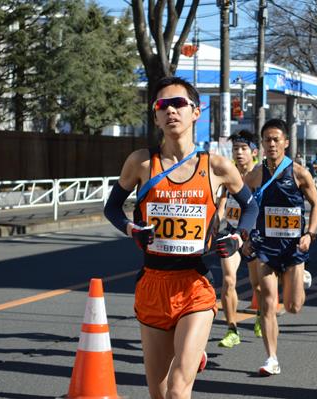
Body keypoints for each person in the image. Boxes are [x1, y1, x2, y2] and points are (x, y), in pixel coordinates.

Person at [103, 76, 258, 399]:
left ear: (196, 112)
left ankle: (191, 351)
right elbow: (113, 208)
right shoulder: (141, 162)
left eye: (179, 104)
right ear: (155, 116)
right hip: (152, 284)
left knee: (177, 391)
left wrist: (238, 238)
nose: (171, 110)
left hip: (194, 284)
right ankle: (190, 351)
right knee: (158, 394)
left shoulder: (216, 166)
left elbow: (251, 207)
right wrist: (132, 230)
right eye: (163, 105)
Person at [243, 118, 317, 376]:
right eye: (267, 139)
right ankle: (271, 358)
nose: (272, 144)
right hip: (266, 246)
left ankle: (301, 276)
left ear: (286, 143)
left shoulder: (299, 172)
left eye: (277, 139)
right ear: (262, 144)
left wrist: (310, 233)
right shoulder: (255, 174)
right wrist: (244, 237)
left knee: (293, 307)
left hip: (293, 247)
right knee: (267, 303)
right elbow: (244, 204)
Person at [217, 129, 263, 348]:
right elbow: (222, 203)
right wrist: (216, 220)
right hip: (232, 232)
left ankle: (261, 315)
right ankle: (231, 329)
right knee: (228, 280)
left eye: (243, 148)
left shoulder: (260, 175)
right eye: (236, 148)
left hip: (253, 235)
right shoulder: (229, 173)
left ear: (253, 151)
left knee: (258, 285)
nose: (239, 152)